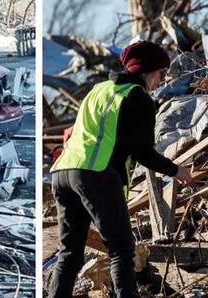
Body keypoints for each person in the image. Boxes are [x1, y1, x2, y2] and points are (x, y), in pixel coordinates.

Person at [48, 40, 194, 297]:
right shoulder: (138, 97)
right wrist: (175, 170)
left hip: (63, 172)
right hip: (96, 173)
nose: (162, 80)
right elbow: (141, 151)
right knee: (121, 249)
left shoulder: (98, 89)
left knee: (69, 253)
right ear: (147, 71)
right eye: (161, 73)